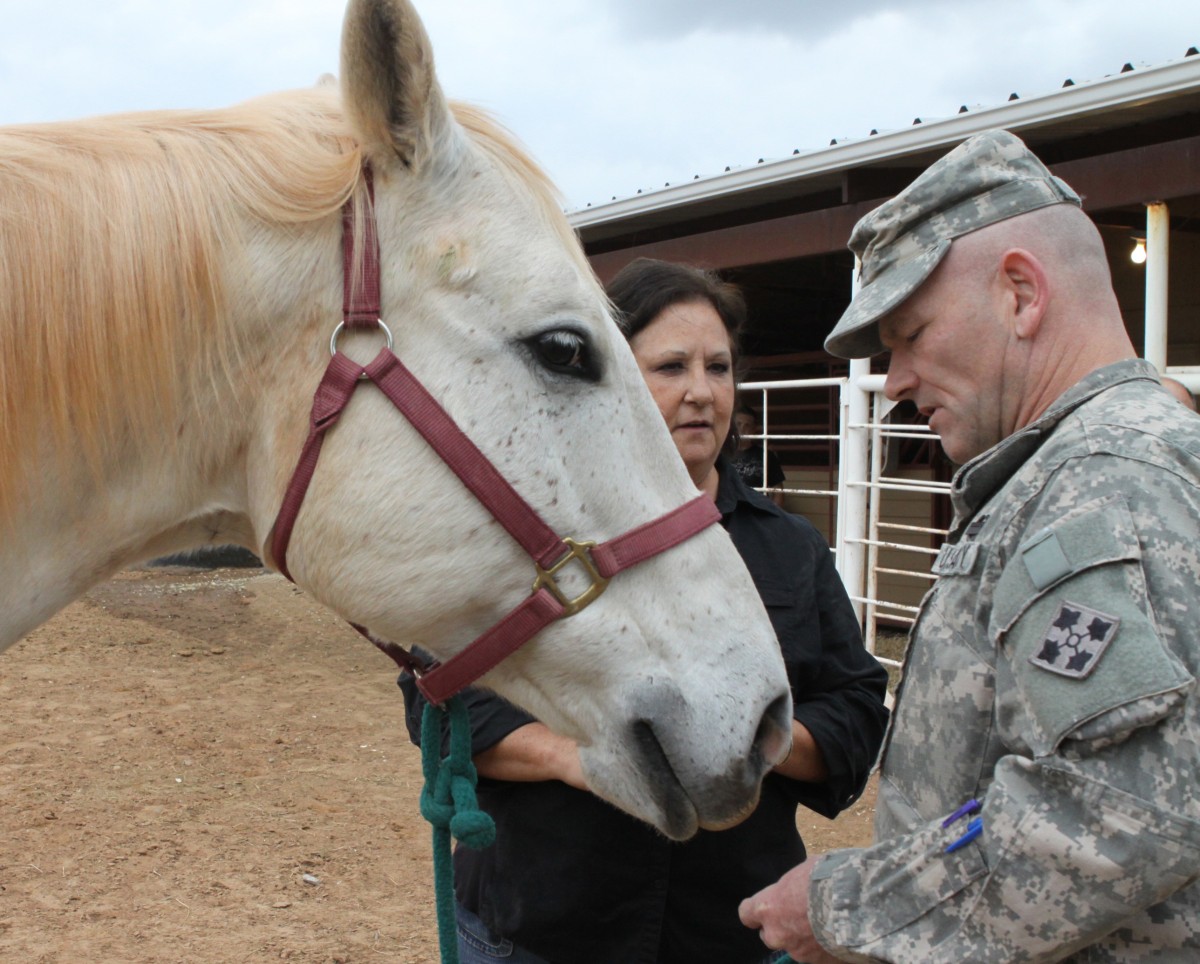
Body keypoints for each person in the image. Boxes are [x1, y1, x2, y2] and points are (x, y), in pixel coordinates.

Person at [739, 129, 1200, 962]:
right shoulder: (1076, 473)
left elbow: (1112, 813)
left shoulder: (1105, 484)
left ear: (1021, 293)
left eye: (911, 334)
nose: (898, 377)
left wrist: (846, 905)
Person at [400, 257, 890, 964]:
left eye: (718, 368)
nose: (701, 393)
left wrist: (754, 739)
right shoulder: (528, 539)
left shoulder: (790, 549)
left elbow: (855, 707)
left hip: (729, 933)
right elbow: (442, 702)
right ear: (615, 383)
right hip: (538, 931)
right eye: (671, 367)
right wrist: (579, 759)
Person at [731, 402, 787, 505]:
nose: (742, 429)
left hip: (757, 512)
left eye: (747, 425)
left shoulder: (766, 455)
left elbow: (778, 491)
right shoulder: (722, 454)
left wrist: (770, 518)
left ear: (754, 429)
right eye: (738, 424)